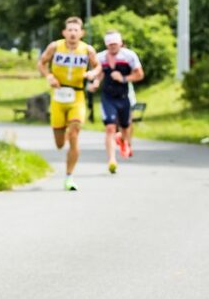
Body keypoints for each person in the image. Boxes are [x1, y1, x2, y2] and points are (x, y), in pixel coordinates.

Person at [37, 16, 99, 191]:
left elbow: (98, 67)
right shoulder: (55, 46)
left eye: (76, 30)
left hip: (77, 96)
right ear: (64, 32)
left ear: (81, 33)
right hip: (58, 96)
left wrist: (93, 76)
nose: (72, 33)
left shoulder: (87, 50)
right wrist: (49, 76)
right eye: (69, 30)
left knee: (74, 134)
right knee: (59, 144)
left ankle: (69, 176)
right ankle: (62, 133)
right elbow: (42, 63)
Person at [89, 31, 144, 174]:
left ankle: (124, 141)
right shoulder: (101, 57)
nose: (112, 47)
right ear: (106, 44)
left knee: (125, 127)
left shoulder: (129, 56)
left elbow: (139, 74)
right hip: (108, 97)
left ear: (120, 43)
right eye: (109, 44)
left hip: (124, 96)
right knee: (110, 128)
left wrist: (124, 78)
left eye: (115, 44)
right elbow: (99, 73)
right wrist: (95, 82)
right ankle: (112, 160)